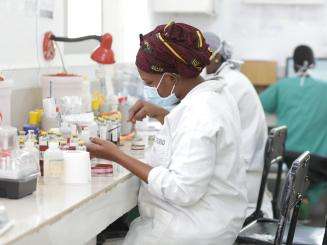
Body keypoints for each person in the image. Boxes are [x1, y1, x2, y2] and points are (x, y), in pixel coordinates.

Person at [87, 22, 247, 245]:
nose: (148, 89)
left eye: (150, 83)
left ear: (171, 78)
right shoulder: (215, 95)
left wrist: (118, 156)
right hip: (207, 219)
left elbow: (182, 190)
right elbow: (190, 138)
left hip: (191, 230)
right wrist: (163, 114)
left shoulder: (200, 112)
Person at [203, 32, 270, 217]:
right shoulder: (230, 78)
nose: (196, 65)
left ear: (216, 57)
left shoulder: (227, 84)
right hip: (248, 172)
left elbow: (204, 125)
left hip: (243, 180)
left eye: (200, 58)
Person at [260, 45, 327, 159]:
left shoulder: (282, 85)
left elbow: (262, 104)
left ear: (294, 65)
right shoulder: (324, 88)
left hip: (287, 155)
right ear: (314, 64)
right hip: (318, 160)